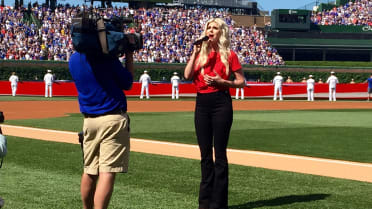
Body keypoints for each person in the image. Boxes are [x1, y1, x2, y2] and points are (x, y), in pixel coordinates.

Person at [184, 18, 245, 209]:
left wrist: (223, 82)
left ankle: (218, 204)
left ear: (221, 32)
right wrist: (194, 54)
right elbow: (187, 76)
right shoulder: (200, 54)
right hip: (202, 103)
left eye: (215, 28)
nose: (210, 31)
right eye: (208, 28)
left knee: (219, 155)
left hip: (221, 102)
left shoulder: (230, 55)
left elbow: (241, 81)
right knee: (204, 155)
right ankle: (204, 203)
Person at [69, 49, 134, 209]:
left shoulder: (74, 59)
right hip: (112, 118)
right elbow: (127, 82)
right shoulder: (106, 57)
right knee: (107, 172)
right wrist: (129, 55)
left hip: (89, 121)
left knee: (89, 170)